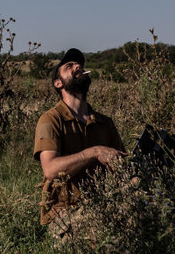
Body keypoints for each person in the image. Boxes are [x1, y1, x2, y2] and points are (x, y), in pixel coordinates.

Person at [33, 48, 126, 241]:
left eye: (79, 65)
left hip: (104, 205)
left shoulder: (105, 122)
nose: (77, 66)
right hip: (65, 214)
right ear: (58, 83)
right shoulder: (49, 120)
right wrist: (94, 152)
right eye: (69, 66)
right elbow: (50, 170)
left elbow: (121, 165)